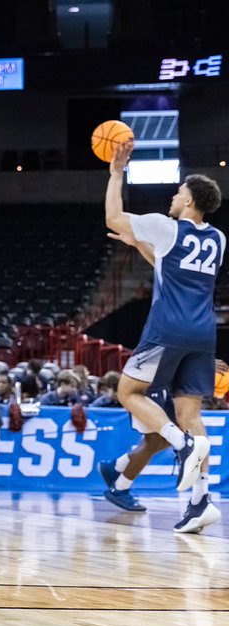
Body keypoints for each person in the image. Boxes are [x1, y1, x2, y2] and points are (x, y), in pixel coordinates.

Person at [105, 140, 223, 510]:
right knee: (192, 414)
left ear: (189, 201)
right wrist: (137, 244)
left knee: (127, 392)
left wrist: (116, 173)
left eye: (178, 192)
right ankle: (201, 502)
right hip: (204, 334)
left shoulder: (166, 226)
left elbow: (112, 217)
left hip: (168, 328)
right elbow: (169, 266)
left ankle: (180, 444)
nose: (174, 197)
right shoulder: (219, 239)